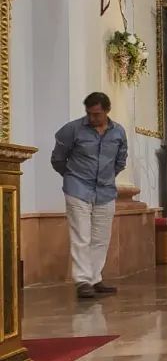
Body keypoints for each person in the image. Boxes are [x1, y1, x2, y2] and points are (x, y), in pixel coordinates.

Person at [51, 92, 128, 299]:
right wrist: (72, 177)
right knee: (81, 236)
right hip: (78, 189)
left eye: (97, 114)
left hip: (105, 190)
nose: (93, 118)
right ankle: (83, 281)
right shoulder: (72, 130)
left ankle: (95, 278)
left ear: (107, 111)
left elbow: (121, 161)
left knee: (101, 238)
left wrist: (107, 177)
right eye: (89, 114)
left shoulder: (118, 132)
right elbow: (58, 159)